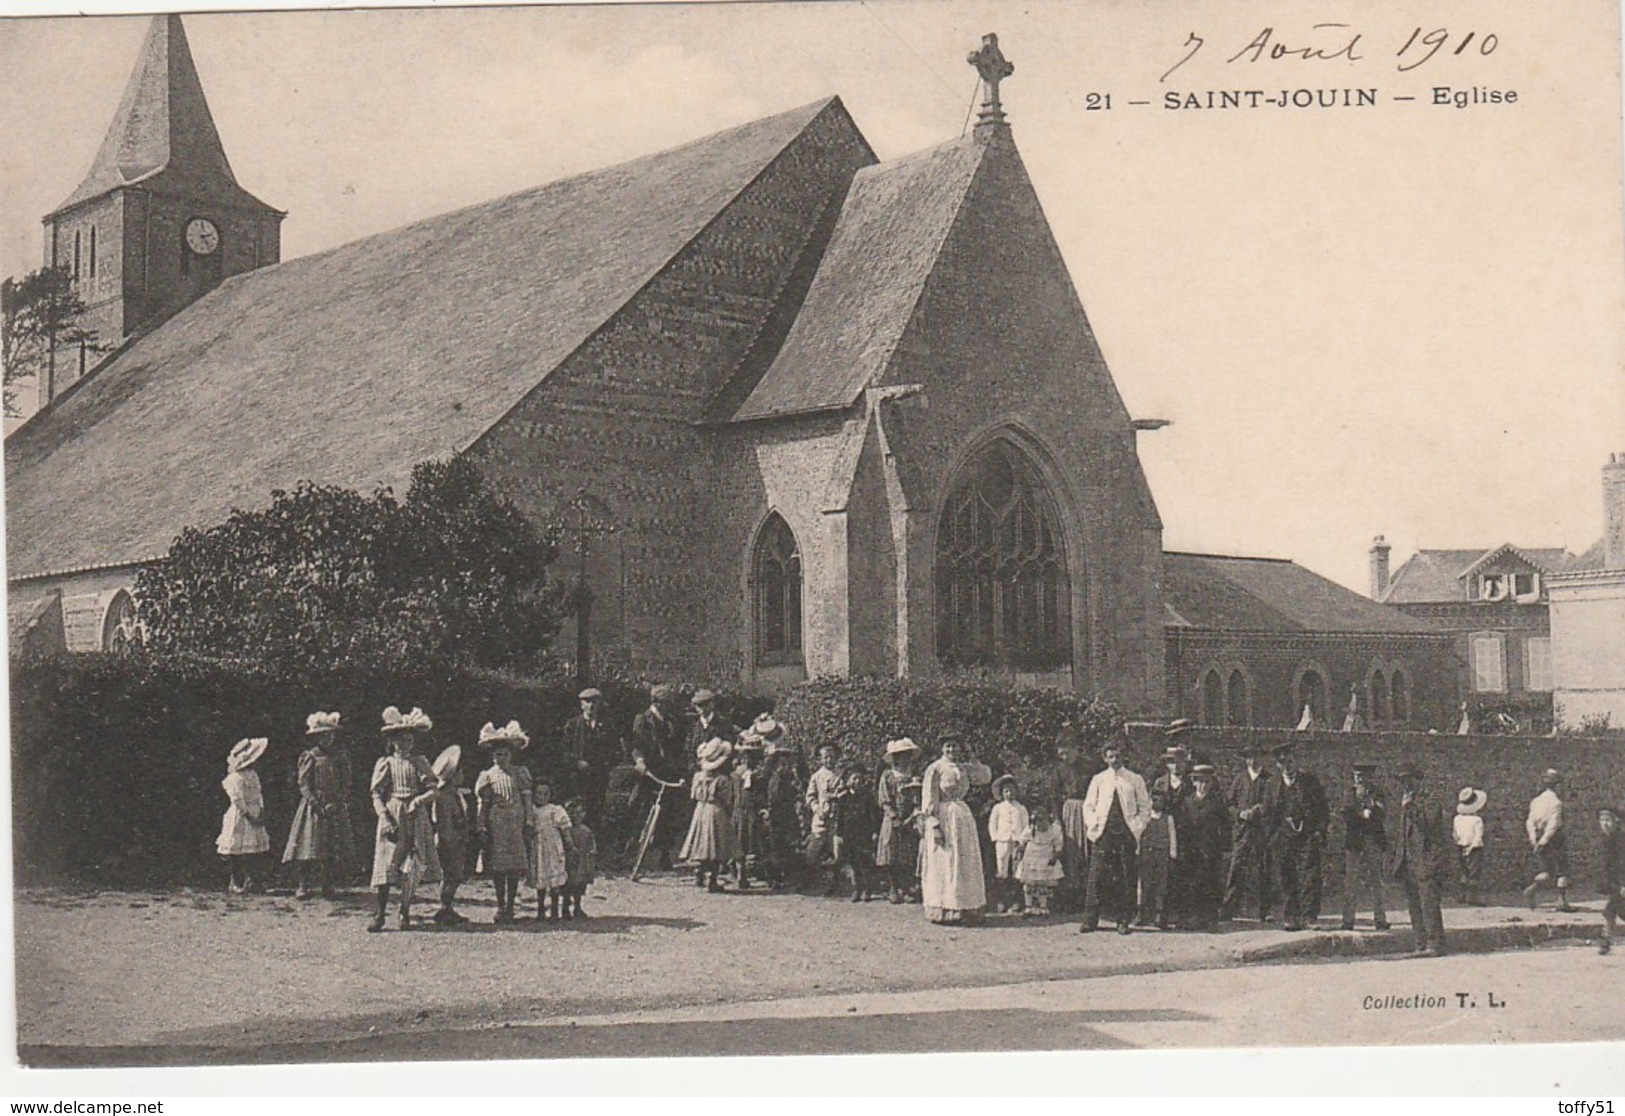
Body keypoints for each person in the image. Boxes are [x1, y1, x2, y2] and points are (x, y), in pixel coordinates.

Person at [368, 706, 443, 933]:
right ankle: (380, 914)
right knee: (386, 863)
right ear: (392, 741)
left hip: (414, 813)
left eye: (409, 740)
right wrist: (385, 816)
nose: (405, 744)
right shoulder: (386, 762)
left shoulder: (419, 761)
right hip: (393, 813)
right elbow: (376, 794)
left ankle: (405, 910)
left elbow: (434, 789)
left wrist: (419, 801)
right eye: (400, 740)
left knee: (412, 864)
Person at [1079, 737, 1151, 935]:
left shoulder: (1135, 779)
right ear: (1105, 758)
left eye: (1118, 756)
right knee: (1097, 876)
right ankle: (1090, 919)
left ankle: (1123, 920)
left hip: (1126, 834)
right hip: (1103, 833)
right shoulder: (1099, 779)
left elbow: (1145, 807)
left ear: (1123, 756)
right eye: (1110, 756)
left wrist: (1137, 827)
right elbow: (1088, 806)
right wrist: (1094, 824)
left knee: (1126, 877)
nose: (1115, 760)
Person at [282, 711, 355, 899]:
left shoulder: (340, 756)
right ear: (316, 738)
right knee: (309, 846)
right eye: (323, 735)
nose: (328, 739)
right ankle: (303, 884)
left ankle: (327, 885)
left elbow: (346, 781)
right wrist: (315, 802)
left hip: (335, 805)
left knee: (331, 846)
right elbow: (304, 784)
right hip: (313, 806)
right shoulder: (310, 756)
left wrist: (339, 800)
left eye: (330, 735)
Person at [919, 736, 991, 925]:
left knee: (965, 860)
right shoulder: (935, 768)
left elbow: (984, 777)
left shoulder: (964, 767)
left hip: (962, 817)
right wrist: (934, 825)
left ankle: (967, 908)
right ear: (942, 748)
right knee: (946, 860)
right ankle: (945, 908)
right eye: (948, 746)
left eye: (955, 746)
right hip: (944, 816)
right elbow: (929, 798)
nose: (951, 750)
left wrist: (973, 757)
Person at [1262, 741, 1329, 931]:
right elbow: (1267, 813)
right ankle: (1290, 916)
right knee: (1285, 876)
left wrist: (1319, 831)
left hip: (1307, 835)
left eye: (1290, 761)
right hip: (1283, 837)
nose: (1287, 765)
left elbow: (1323, 810)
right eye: (1282, 762)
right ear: (1278, 765)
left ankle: (1309, 916)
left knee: (1310, 876)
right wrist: (1272, 836)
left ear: (1296, 761)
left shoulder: (1310, 781)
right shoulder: (1272, 784)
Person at [473, 721, 534, 925]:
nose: (502, 758)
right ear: (492, 756)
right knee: (499, 867)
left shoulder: (519, 773)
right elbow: (483, 803)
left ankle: (510, 906)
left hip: (515, 822)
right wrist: (481, 825)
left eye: (505, 754)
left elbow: (526, 799)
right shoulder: (488, 776)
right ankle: (500, 906)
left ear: (511, 755)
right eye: (498, 754)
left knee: (514, 867)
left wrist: (529, 820)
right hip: (497, 823)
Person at [1388, 762, 1450, 957]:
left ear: (1417, 780)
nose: (1405, 785)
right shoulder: (1407, 801)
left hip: (1425, 860)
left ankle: (1435, 944)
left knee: (1428, 903)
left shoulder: (1429, 799)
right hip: (1409, 861)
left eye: (1408, 780)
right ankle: (1420, 943)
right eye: (1402, 781)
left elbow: (1429, 824)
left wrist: (1410, 808)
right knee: (1414, 904)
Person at [629, 684, 687, 870]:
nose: (670, 706)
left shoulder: (673, 720)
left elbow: (679, 747)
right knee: (638, 806)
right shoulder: (642, 720)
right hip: (649, 772)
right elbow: (636, 744)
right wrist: (640, 761)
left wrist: (681, 769)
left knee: (669, 814)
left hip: (669, 772)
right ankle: (630, 850)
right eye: (666, 703)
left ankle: (664, 855)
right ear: (657, 702)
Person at [1221, 742, 1274, 923]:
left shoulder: (1269, 779)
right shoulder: (1239, 779)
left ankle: (1265, 911)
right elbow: (1229, 804)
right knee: (1236, 869)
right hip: (1242, 831)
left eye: (1256, 756)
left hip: (1262, 832)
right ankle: (1228, 909)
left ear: (1262, 758)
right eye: (1249, 757)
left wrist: (1258, 810)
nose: (1253, 760)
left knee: (1264, 869)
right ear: (1245, 760)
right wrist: (1239, 813)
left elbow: (1273, 804)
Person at [1176, 762, 1230, 931]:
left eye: (1207, 782)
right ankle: (1191, 918)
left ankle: (1210, 919)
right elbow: (1181, 827)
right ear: (1193, 782)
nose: (1203, 785)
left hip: (1211, 850)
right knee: (1191, 883)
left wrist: (1224, 847)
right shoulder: (1187, 802)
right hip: (1191, 850)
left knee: (1211, 883)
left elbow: (1226, 825)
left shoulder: (1217, 802)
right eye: (1199, 781)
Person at [680, 738, 739, 892]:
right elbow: (727, 800)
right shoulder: (723, 780)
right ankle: (712, 880)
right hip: (716, 810)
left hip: (700, 810)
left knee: (701, 842)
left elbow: (693, 796)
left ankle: (698, 873)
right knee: (716, 846)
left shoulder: (698, 777)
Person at [1339, 762, 1390, 932]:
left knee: (1378, 881)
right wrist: (1362, 814)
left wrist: (1372, 809)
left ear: (1370, 777)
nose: (1360, 779)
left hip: (1374, 840)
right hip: (1355, 841)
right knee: (1350, 881)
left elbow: (1382, 813)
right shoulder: (1350, 793)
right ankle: (1348, 920)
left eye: (1363, 777)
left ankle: (1380, 919)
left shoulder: (1377, 793)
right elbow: (1346, 813)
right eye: (1357, 776)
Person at [217, 737, 271, 894]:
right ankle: (235, 881)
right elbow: (237, 799)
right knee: (236, 851)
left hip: (255, 813)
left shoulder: (253, 775)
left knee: (252, 851)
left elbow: (258, 794)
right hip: (240, 816)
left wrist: (261, 810)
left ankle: (251, 880)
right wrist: (248, 814)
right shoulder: (234, 779)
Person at [429, 744, 476, 926]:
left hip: (457, 839)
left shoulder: (454, 795)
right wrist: (450, 842)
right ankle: (444, 908)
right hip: (449, 841)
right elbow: (444, 824)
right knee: (450, 875)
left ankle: (447, 907)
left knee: (454, 876)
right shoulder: (443, 798)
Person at [558, 687, 616, 826]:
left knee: (596, 811)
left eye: (594, 702)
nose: (591, 706)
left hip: (599, 777)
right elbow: (563, 750)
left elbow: (615, 750)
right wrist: (577, 762)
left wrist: (605, 766)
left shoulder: (607, 726)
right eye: (587, 702)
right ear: (581, 704)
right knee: (576, 810)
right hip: (577, 777)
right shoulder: (573, 724)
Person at [876, 738, 923, 904]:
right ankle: (892, 887)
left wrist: (912, 815)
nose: (904, 758)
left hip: (910, 817)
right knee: (891, 852)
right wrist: (894, 817)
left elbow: (918, 797)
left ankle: (906, 887)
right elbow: (884, 799)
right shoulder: (888, 775)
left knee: (907, 853)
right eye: (900, 755)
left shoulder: (914, 775)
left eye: (907, 755)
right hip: (892, 818)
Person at [1523, 769, 1575, 912]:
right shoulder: (1556, 803)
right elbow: (1553, 824)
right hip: (1554, 838)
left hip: (1539, 835)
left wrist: (1534, 839)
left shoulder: (1536, 800)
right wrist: (1545, 840)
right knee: (1563, 869)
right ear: (1557, 785)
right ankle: (1562, 901)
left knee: (1547, 869)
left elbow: (1530, 821)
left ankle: (1533, 889)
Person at [762, 724, 804, 889]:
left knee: (786, 844)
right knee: (774, 844)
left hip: (787, 813)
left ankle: (785, 875)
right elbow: (772, 797)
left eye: (786, 760)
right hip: (776, 814)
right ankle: (773, 876)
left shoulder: (787, 777)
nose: (784, 763)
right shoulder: (772, 778)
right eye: (781, 761)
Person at [832, 760, 879, 902]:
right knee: (853, 862)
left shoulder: (868, 797)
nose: (857, 781)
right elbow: (839, 818)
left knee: (864, 862)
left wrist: (874, 831)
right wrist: (839, 834)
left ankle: (867, 889)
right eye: (854, 778)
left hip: (864, 834)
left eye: (860, 778)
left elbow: (873, 816)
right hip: (849, 834)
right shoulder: (844, 798)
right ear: (848, 781)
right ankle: (856, 888)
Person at [532, 780, 575, 920]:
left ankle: (555, 910)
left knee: (555, 878)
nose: (542, 797)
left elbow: (565, 830)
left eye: (546, 793)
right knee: (540, 878)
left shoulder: (555, 810)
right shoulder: (532, 810)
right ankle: (540, 910)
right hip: (538, 847)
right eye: (539, 793)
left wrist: (570, 845)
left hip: (553, 848)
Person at [731, 733, 769, 890]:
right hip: (744, 810)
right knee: (743, 842)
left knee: (747, 841)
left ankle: (747, 871)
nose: (748, 759)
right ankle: (742, 873)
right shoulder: (744, 774)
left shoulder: (754, 774)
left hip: (746, 811)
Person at [988, 775, 1030, 913]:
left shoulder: (1021, 808)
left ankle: (1016, 901)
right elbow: (992, 824)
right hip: (1002, 841)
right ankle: (1002, 901)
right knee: (1002, 870)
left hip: (1017, 842)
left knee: (1017, 870)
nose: (1009, 794)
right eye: (1006, 791)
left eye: (1012, 790)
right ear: (1002, 793)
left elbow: (1026, 826)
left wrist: (1022, 841)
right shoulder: (998, 808)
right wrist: (996, 838)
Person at [1136, 789, 1178, 929]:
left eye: (1159, 800)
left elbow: (1172, 837)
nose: (1156, 803)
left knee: (1162, 885)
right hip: (1147, 854)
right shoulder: (1144, 818)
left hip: (1162, 855)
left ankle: (1159, 916)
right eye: (1153, 800)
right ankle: (1142, 914)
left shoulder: (1168, 818)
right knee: (1145, 884)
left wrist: (1172, 854)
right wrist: (1137, 851)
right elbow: (1138, 835)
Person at [804, 743, 844, 887]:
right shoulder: (817, 776)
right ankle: (810, 879)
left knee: (836, 849)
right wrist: (817, 809)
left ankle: (834, 882)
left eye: (832, 757)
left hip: (837, 817)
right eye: (825, 757)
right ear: (820, 759)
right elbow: (810, 796)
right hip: (821, 817)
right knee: (813, 849)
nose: (829, 760)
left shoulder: (842, 774)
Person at [1016, 803, 1065, 915]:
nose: (1041, 824)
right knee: (1029, 883)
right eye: (1038, 821)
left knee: (1043, 883)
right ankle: (1028, 906)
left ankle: (1043, 907)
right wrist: (1020, 850)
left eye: (1043, 820)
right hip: (1031, 857)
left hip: (1045, 857)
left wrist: (1055, 856)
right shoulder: (1030, 830)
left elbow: (1058, 844)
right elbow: (1022, 841)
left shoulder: (1054, 830)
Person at [1453, 786, 1488, 906]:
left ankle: (1461, 896)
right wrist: (1472, 847)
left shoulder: (1457, 819)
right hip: (1475, 849)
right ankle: (1472, 898)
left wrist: (1461, 845)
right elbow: (1478, 836)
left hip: (1460, 846)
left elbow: (1455, 834)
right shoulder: (1477, 820)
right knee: (1474, 873)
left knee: (1463, 871)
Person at [1596, 805, 1622, 956]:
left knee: (1612, 910)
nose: (1604, 823)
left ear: (1616, 821)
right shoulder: (1606, 840)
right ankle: (1605, 942)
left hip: (1620, 884)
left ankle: (1606, 942)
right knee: (1611, 910)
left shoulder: (1620, 840)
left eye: (1608, 820)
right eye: (1602, 820)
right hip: (1614, 885)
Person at [564, 799, 597, 920]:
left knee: (580, 885)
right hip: (568, 862)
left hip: (582, 863)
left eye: (578, 813)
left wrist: (590, 860)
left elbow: (591, 847)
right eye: (571, 813)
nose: (575, 816)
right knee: (567, 885)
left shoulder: (586, 831)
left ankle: (577, 907)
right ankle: (565, 908)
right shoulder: (565, 830)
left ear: (583, 814)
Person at [687, 689, 738, 756]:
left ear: (712, 705)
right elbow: (689, 750)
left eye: (704, 705)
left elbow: (730, 747)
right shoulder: (693, 726)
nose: (701, 709)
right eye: (698, 706)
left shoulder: (724, 723)